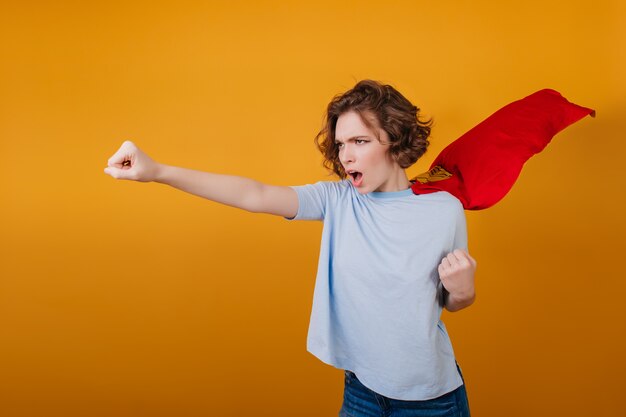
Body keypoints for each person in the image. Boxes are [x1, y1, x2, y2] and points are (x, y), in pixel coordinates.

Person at [104, 79, 477, 417]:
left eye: (360, 141)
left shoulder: (442, 210)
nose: (346, 156)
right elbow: (256, 194)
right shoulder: (338, 200)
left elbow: (449, 301)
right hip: (362, 393)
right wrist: (157, 172)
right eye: (341, 143)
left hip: (433, 400)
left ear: (395, 139)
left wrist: (463, 290)